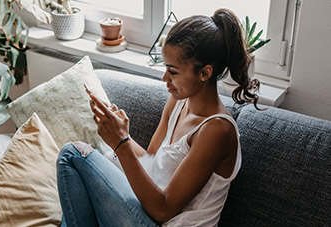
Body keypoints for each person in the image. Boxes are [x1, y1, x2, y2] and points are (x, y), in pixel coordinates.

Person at [56, 8, 259, 227]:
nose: (165, 78)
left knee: (72, 154)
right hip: (148, 216)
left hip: (163, 220)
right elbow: (150, 162)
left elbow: (163, 210)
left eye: (173, 71)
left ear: (205, 73)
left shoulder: (217, 129)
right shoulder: (179, 101)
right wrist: (120, 133)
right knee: (82, 165)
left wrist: (122, 144)